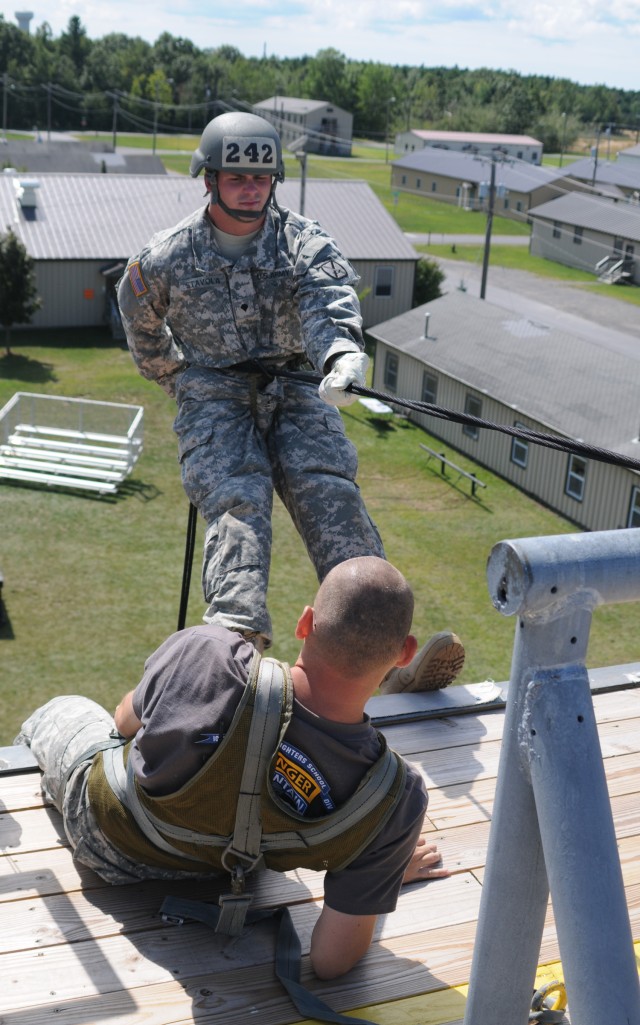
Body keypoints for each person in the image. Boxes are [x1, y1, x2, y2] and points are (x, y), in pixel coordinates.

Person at [117, 111, 464, 690]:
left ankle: (382, 661)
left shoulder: (303, 241)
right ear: (210, 180)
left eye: (261, 178)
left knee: (330, 493)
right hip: (214, 390)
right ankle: (234, 658)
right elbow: (139, 323)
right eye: (237, 178)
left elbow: (327, 299)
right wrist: (177, 379)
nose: (252, 189)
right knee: (238, 506)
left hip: (300, 385)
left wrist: (338, 358)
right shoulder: (165, 258)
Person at [16, 556, 448, 980]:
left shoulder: (208, 652)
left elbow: (123, 722)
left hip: (112, 839)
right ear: (405, 654)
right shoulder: (396, 800)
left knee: (65, 709)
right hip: (225, 870)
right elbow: (331, 962)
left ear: (304, 622)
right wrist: (378, 879)